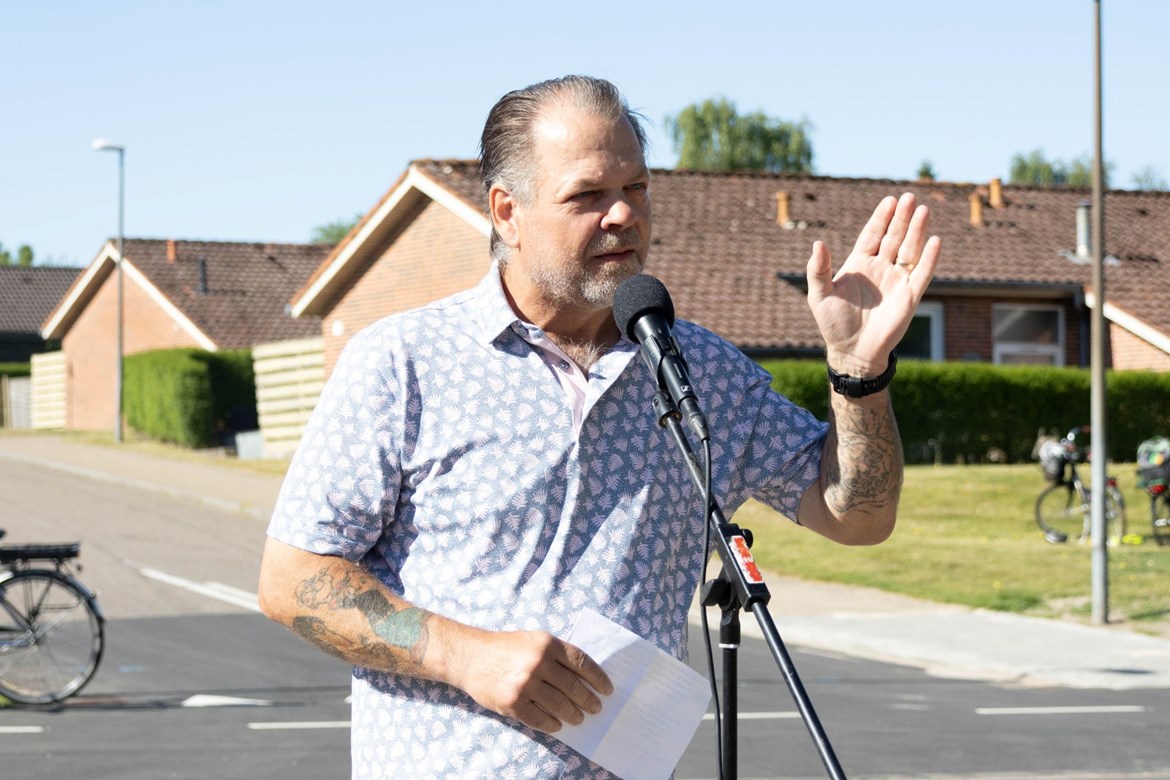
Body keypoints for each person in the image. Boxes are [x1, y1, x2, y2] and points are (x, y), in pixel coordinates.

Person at [258, 74, 940, 779]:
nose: (622, 215)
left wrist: (859, 372)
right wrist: (462, 655)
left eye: (636, 189)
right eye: (587, 196)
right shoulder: (402, 363)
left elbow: (855, 517)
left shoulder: (697, 369)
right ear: (506, 212)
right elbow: (291, 579)